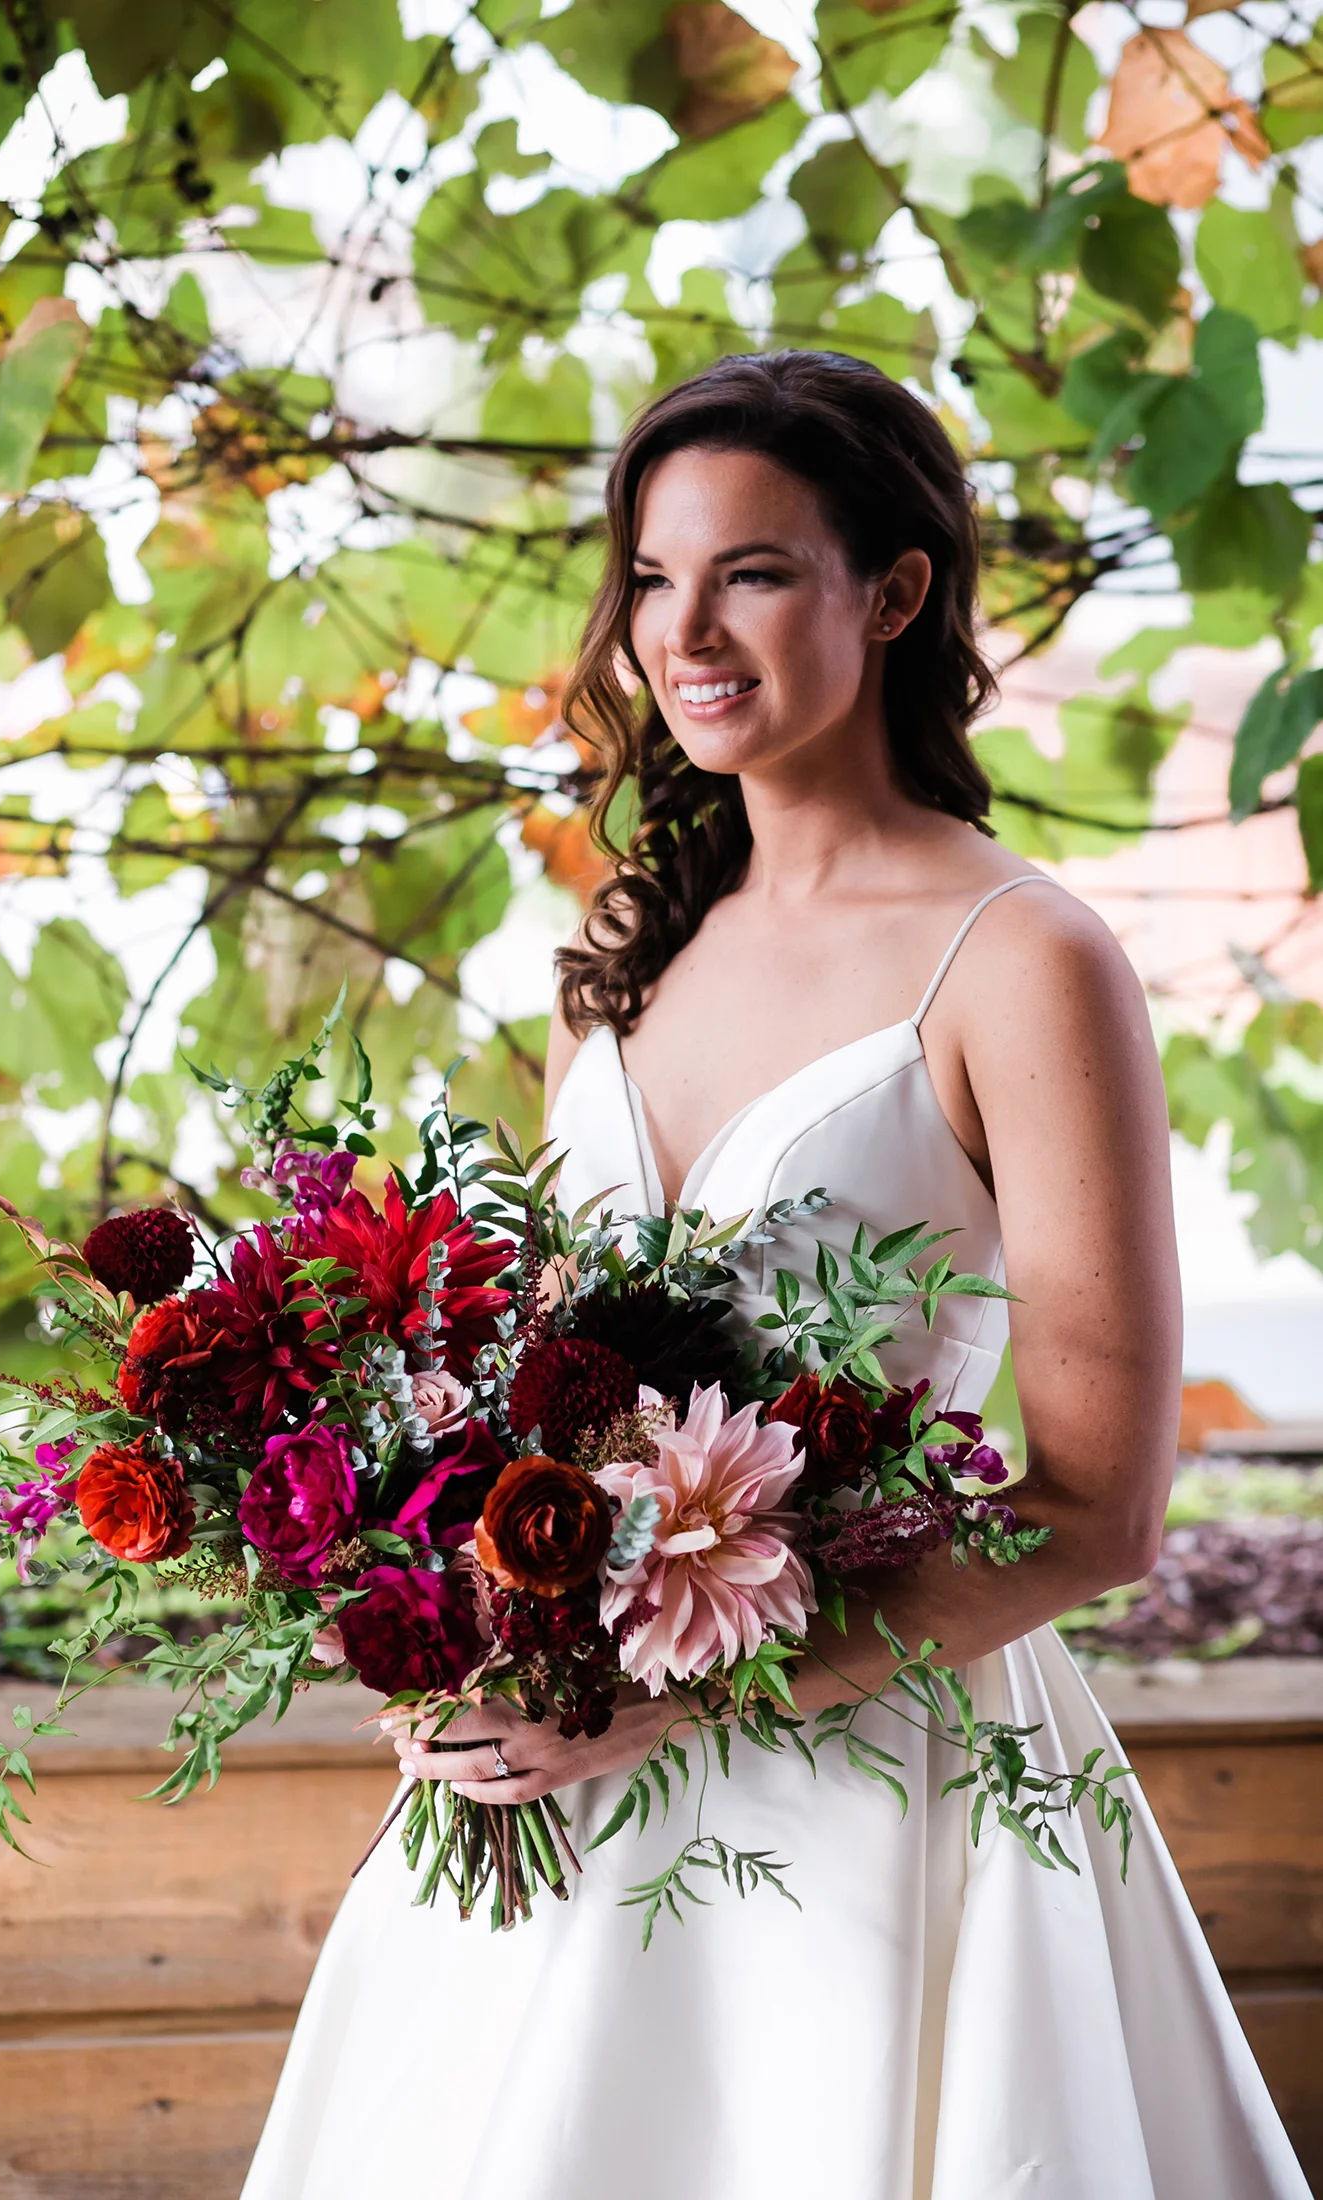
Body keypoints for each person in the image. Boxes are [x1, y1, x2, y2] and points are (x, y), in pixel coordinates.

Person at [242, 352, 1308, 2199]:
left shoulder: (1020, 959)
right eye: (653, 578)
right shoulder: (628, 949)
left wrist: (678, 1701)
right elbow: (537, 1393)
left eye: (750, 573)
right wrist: (443, 1616)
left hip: (873, 1791)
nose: (681, 633)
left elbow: (1100, 1512)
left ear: (891, 595)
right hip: (559, 1781)